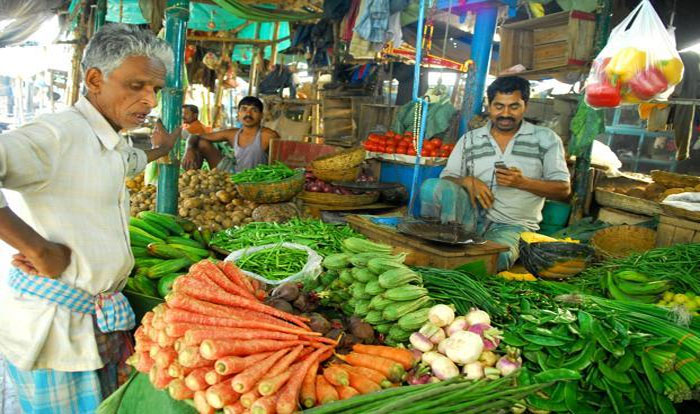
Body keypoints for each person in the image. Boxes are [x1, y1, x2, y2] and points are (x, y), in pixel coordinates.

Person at [0, 24, 180, 412]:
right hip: (56, 333)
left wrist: (159, 150)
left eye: (155, 89)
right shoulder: (58, 134)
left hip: (96, 323)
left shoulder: (110, 140)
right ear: (95, 79)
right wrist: (36, 247)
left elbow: (127, 162)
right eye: (136, 86)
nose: (149, 100)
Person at [420, 76, 571, 271]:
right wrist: (467, 180)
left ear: (526, 105)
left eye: (514, 107)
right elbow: (447, 178)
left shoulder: (546, 139)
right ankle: (434, 240)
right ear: (489, 105)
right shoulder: (470, 139)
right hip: (467, 219)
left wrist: (522, 182)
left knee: (491, 261)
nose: (505, 114)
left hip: (512, 225)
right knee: (432, 186)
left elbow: (563, 190)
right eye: (499, 106)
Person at [183, 96, 280, 173]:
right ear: (238, 114)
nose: (248, 114)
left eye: (254, 110)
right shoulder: (232, 134)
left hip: (256, 179)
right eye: (244, 109)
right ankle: (193, 177)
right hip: (233, 174)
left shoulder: (269, 135)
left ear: (261, 115)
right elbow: (195, 135)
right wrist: (189, 149)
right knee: (201, 143)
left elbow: (279, 164)